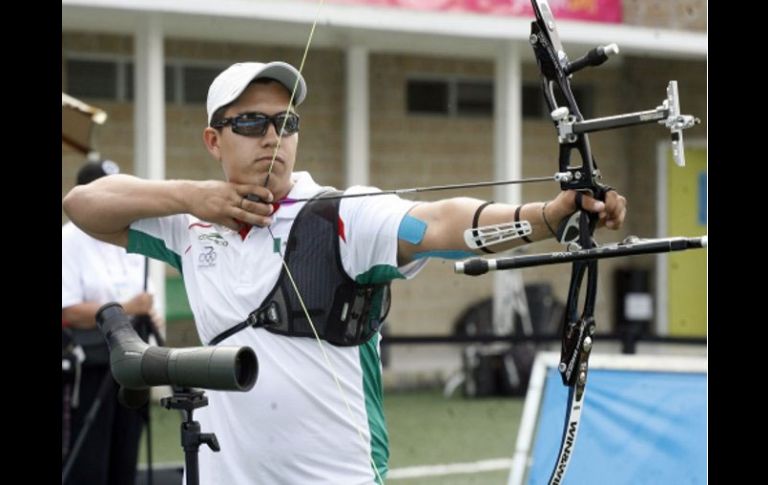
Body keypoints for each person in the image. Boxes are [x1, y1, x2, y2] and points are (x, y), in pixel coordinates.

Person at [62, 61, 627, 484]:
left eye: (285, 121)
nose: (272, 137)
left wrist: (547, 217)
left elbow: (438, 222)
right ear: (214, 140)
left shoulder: (342, 216)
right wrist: (196, 197)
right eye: (252, 122)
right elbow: (83, 204)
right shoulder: (189, 225)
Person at [61, 159, 162, 485]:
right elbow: (68, 310)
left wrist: (147, 312)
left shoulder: (128, 236)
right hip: (89, 366)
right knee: (90, 460)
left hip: (132, 362)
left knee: (125, 455)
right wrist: (127, 307)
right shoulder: (69, 239)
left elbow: (143, 295)